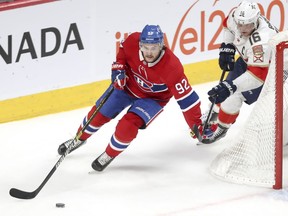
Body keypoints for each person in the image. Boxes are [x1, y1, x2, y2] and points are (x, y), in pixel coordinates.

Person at [57, 24, 213, 171]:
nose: (150, 52)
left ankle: (109, 154)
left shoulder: (172, 67)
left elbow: (188, 100)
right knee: (98, 114)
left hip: (153, 99)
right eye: (146, 47)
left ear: (161, 46)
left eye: (154, 48)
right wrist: (118, 69)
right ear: (140, 45)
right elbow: (122, 55)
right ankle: (78, 139)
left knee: (127, 126)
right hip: (126, 87)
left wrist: (196, 125)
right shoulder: (132, 41)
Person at [201, 1, 279, 144]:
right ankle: (215, 112)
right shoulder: (236, 16)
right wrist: (227, 45)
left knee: (233, 95)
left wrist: (231, 87)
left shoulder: (262, 41)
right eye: (240, 24)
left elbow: (257, 76)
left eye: (247, 25)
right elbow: (227, 26)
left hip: (270, 71)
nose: (242, 28)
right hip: (248, 61)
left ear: (255, 21)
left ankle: (222, 127)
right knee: (225, 87)